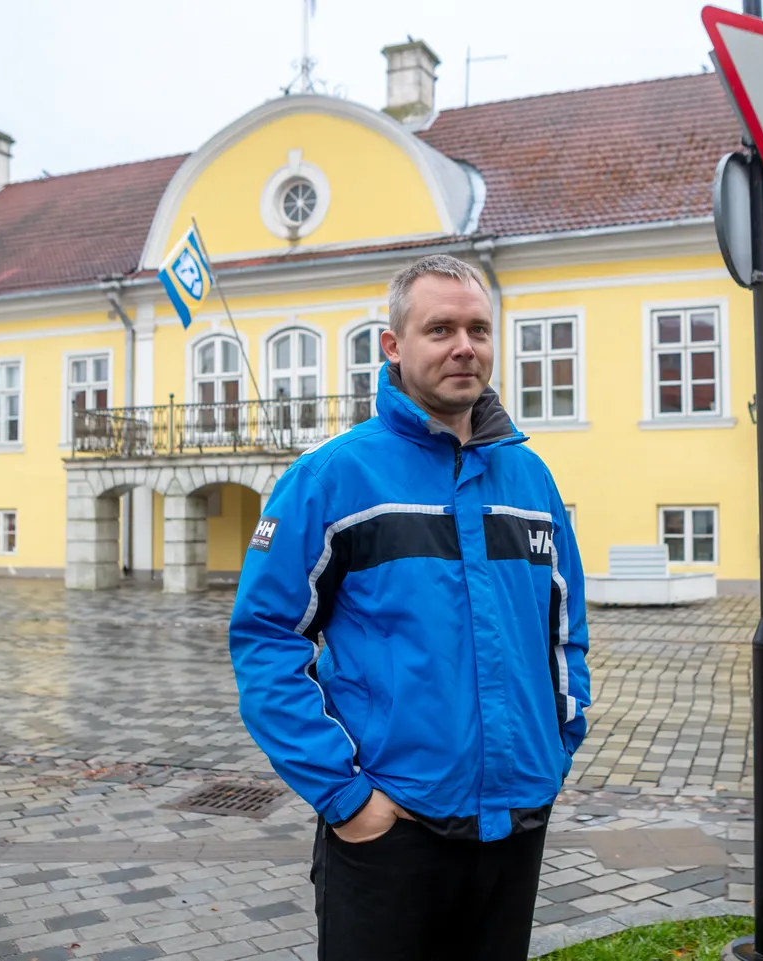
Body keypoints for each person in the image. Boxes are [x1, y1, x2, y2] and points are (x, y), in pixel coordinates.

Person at [229, 254, 591, 961]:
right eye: (441, 328)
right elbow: (267, 637)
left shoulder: (530, 478)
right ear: (394, 346)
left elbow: (565, 626)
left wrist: (560, 740)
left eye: (479, 329)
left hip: (516, 819)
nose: (465, 346)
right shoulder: (333, 477)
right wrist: (346, 796)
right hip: (391, 827)